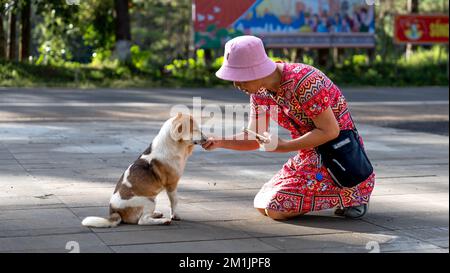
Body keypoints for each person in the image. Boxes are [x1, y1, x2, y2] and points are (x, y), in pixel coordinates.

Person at [202, 35, 375, 220]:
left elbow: (330, 131)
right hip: (309, 155)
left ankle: (354, 192)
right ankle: (339, 193)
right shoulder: (260, 92)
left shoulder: (305, 81)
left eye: (240, 78)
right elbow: (254, 137)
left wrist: (284, 146)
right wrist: (219, 141)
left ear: (256, 71)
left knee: (275, 209)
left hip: (339, 157)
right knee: (262, 203)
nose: (236, 85)